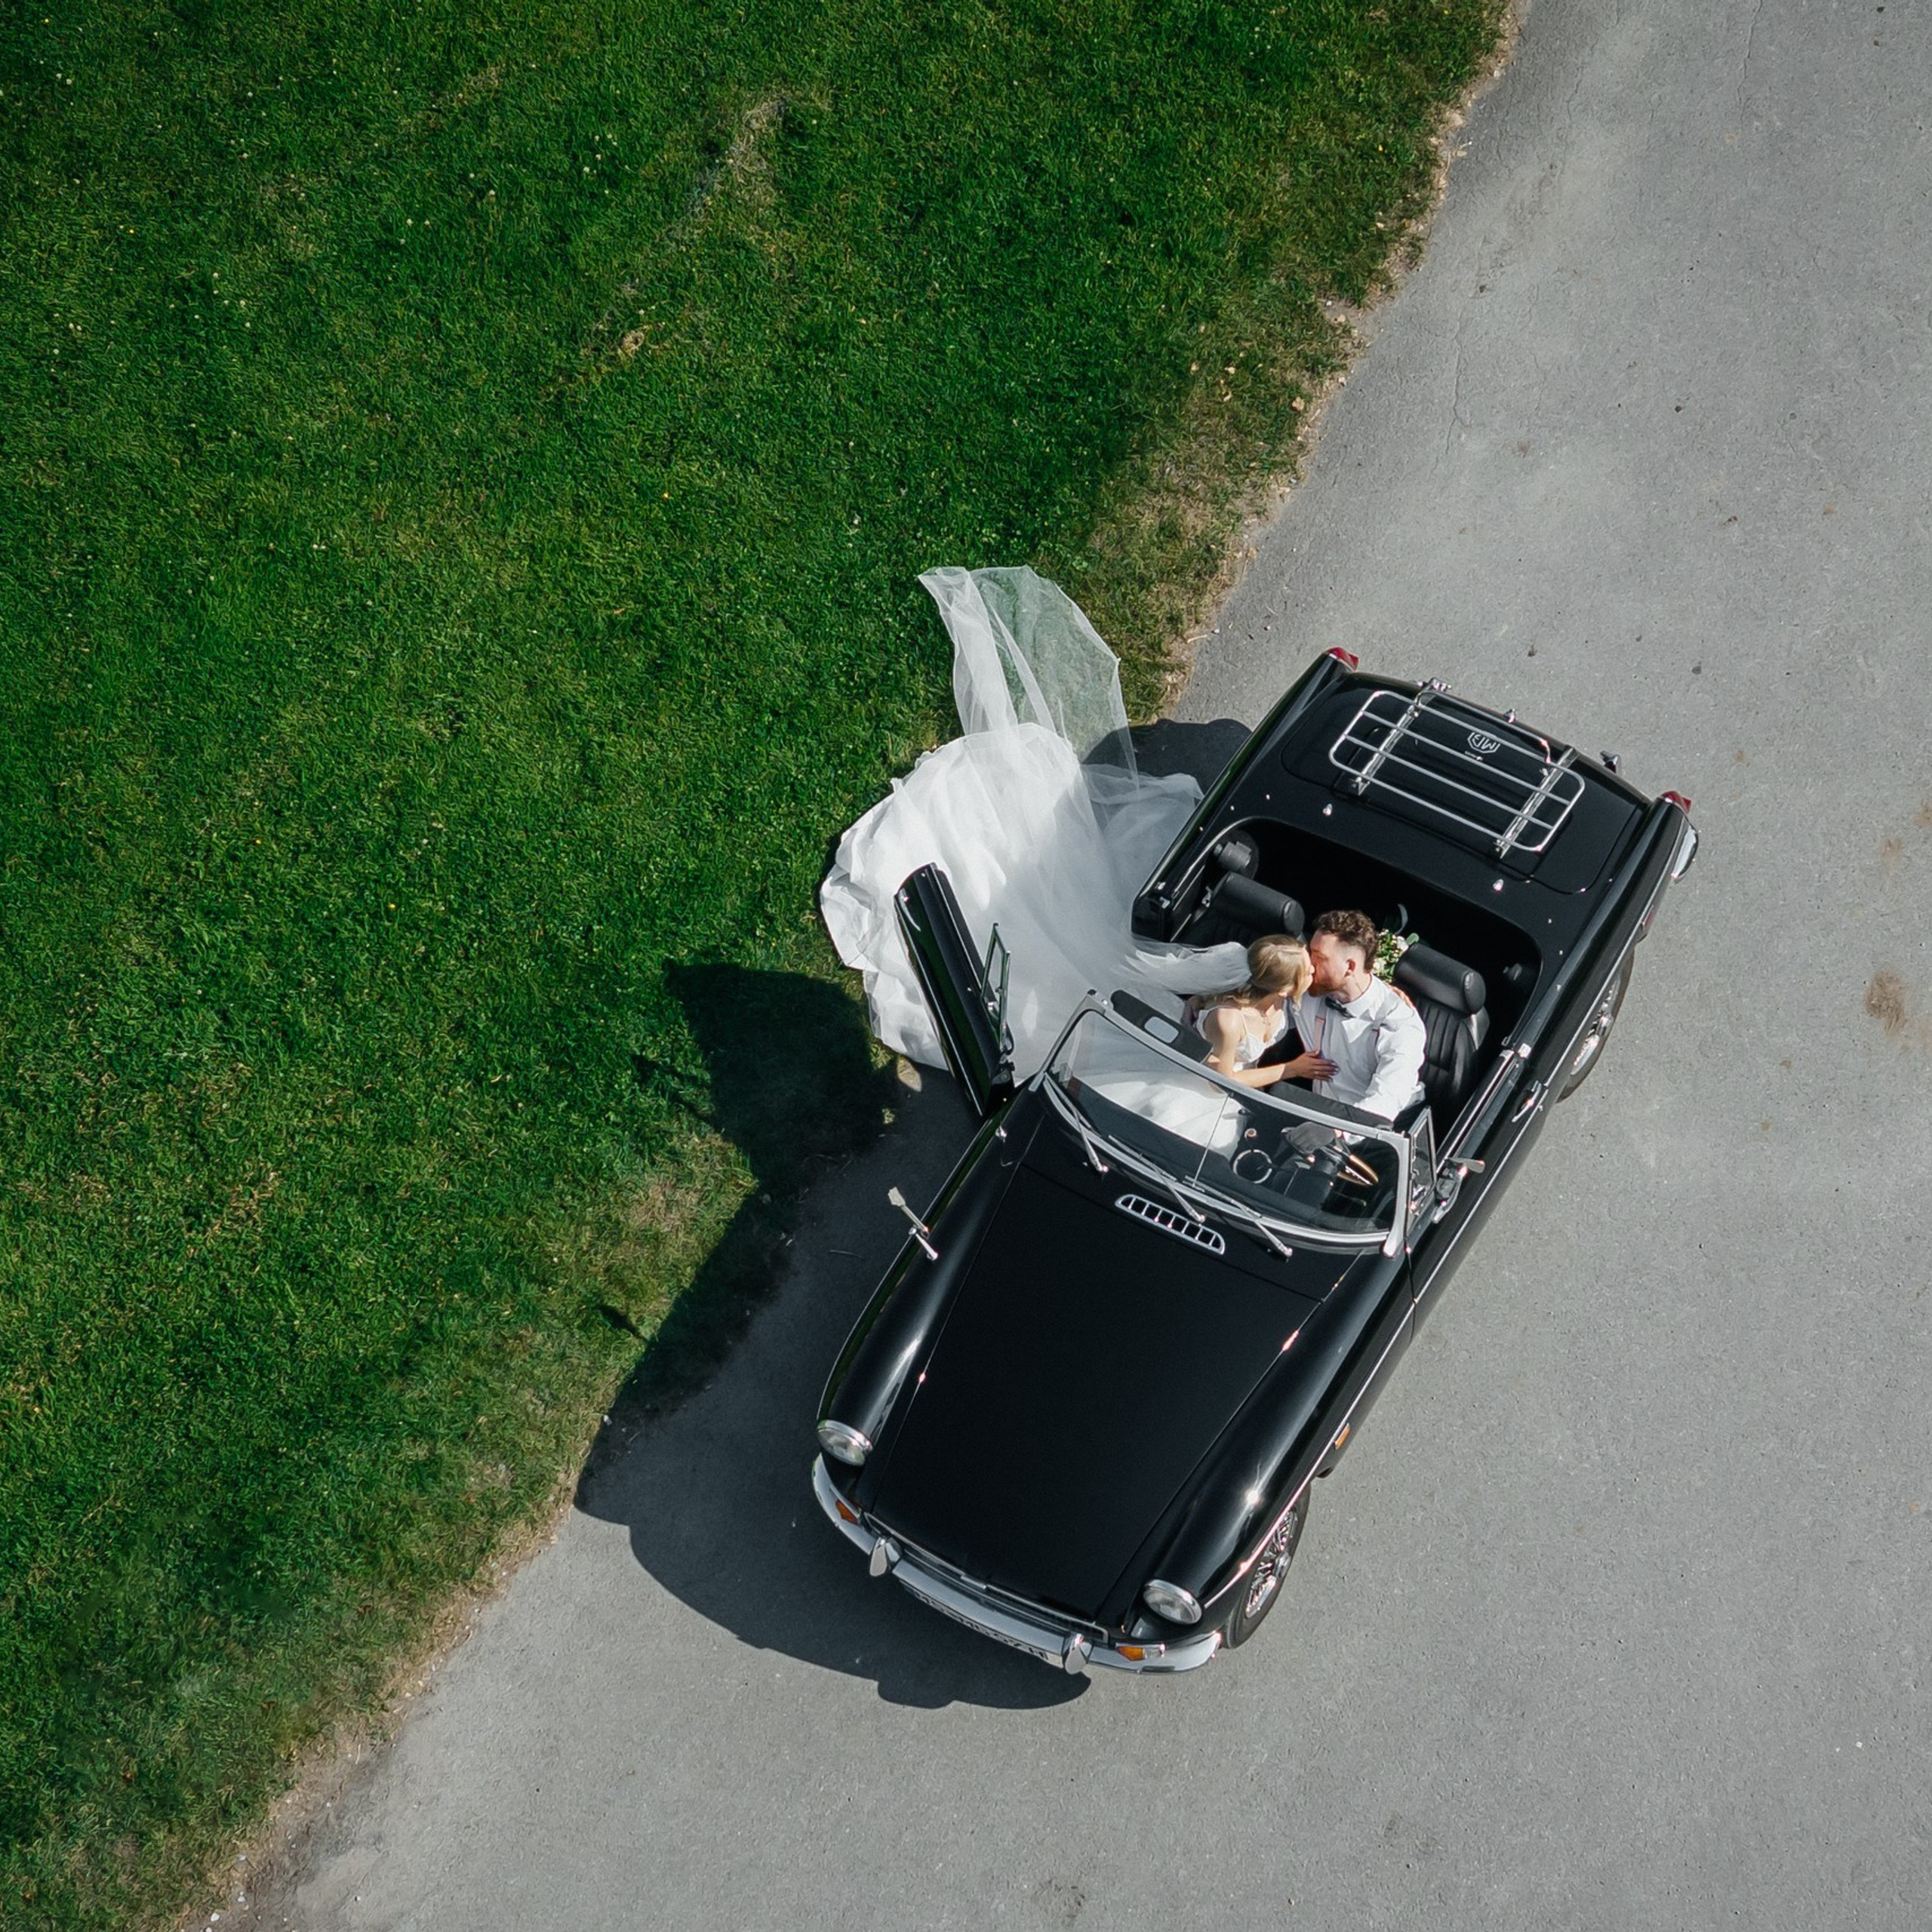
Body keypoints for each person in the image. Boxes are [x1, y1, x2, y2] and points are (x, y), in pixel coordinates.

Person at [1292, 909, 1427, 1122]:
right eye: (1311, 953)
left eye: (1320, 958)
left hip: (1377, 1133)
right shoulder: (1307, 988)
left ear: (1350, 967)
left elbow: (1387, 1098)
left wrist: (1337, 1131)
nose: (1310, 964)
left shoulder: (1399, 1023)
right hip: (1318, 1114)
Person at [1189, 936, 1334, 1091]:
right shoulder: (1228, 1019)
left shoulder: (1280, 999)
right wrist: (1291, 1069)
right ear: (1283, 990)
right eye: (1307, 972)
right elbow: (1220, 1083)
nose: (1313, 969)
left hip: (1251, 1082)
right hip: (1208, 1087)